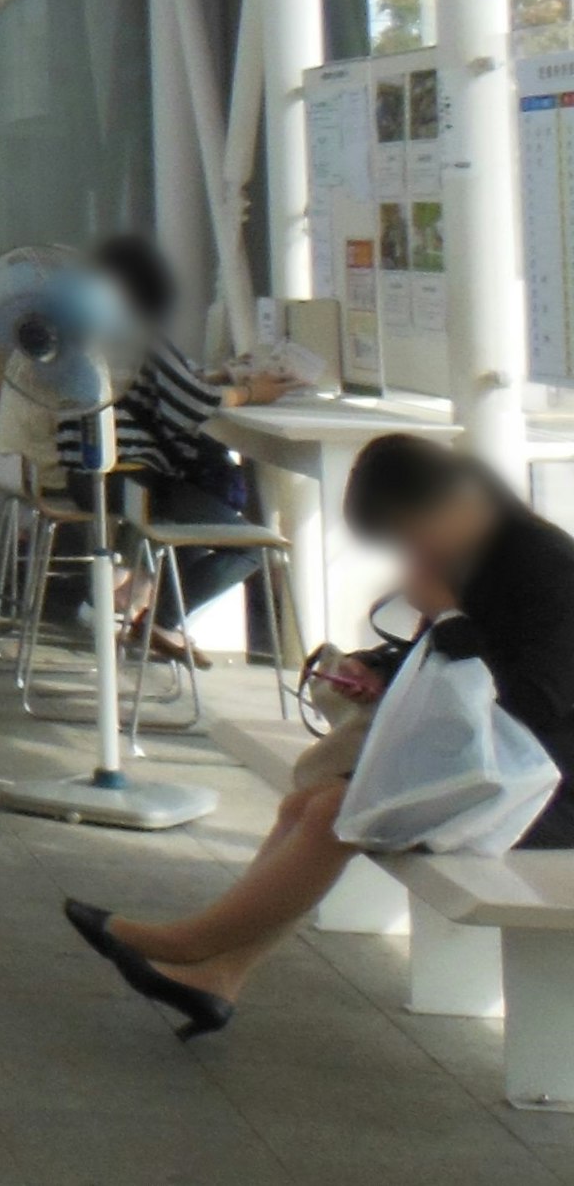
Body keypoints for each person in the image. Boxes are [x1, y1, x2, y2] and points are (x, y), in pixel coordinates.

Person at [66, 434, 574, 1035]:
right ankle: (218, 974)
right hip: (491, 772)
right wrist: (375, 670)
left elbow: (532, 706)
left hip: (542, 793)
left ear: (442, 509)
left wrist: (451, 621)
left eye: (409, 536)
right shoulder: (473, 557)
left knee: (336, 807)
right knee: (308, 803)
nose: (411, 554)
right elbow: (442, 676)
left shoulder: (546, 569)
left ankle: (191, 942)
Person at [87, 233, 300, 658]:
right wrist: (252, 392)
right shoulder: (137, 333)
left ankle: (154, 615)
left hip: (96, 478)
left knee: (202, 513)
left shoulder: (86, 335)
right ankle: (161, 622)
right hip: (137, 481)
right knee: (251, 547)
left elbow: (166, 384)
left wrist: (217, 378)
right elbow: (191, 402)